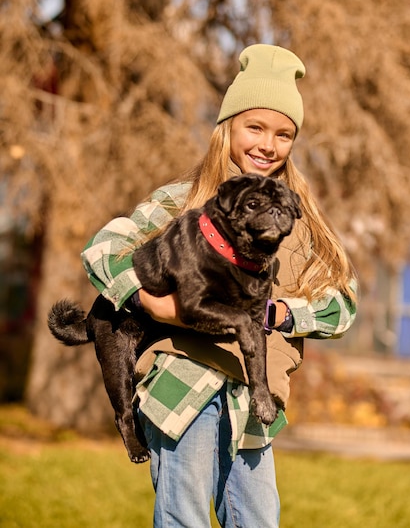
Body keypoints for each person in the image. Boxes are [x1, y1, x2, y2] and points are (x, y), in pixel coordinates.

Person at [81, 44, 358, 528]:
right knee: (183, 518)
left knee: (256, 520)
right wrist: (150, 301)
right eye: (255, 127)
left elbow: (344, 302)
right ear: (228, 126)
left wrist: (280, 314)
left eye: (284, 134)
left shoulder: (297, 218)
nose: (268, 145)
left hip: (255, 401)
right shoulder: (180, 201)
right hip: (180, 385)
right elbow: (102, 250)